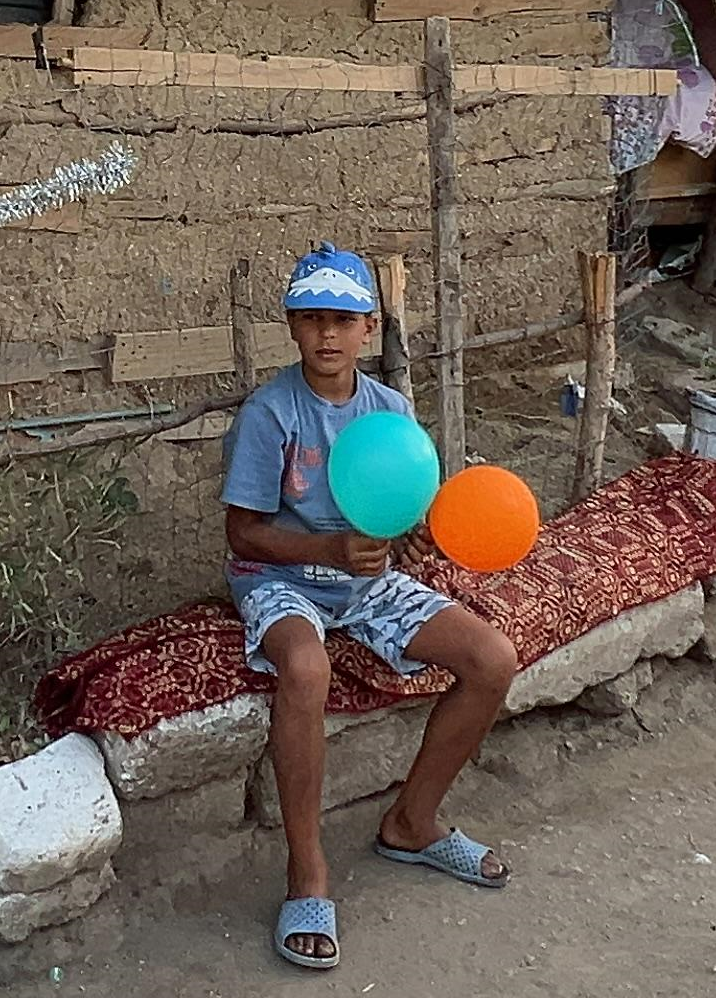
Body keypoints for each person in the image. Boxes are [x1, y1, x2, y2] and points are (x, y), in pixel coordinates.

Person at [221, 243, 518, 971]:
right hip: (281, 578)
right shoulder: (271, 413)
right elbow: (242, 533)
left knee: (492, 659)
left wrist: (412, 538)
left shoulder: (389, 410)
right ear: (292, 325)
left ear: (370, 328)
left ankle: (413, 822)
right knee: (306, 668)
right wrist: (328, 551)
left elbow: (398, 510)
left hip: (366, 581)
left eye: (344, 319)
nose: (328, 333)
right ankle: (308, 872)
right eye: (312, 318)